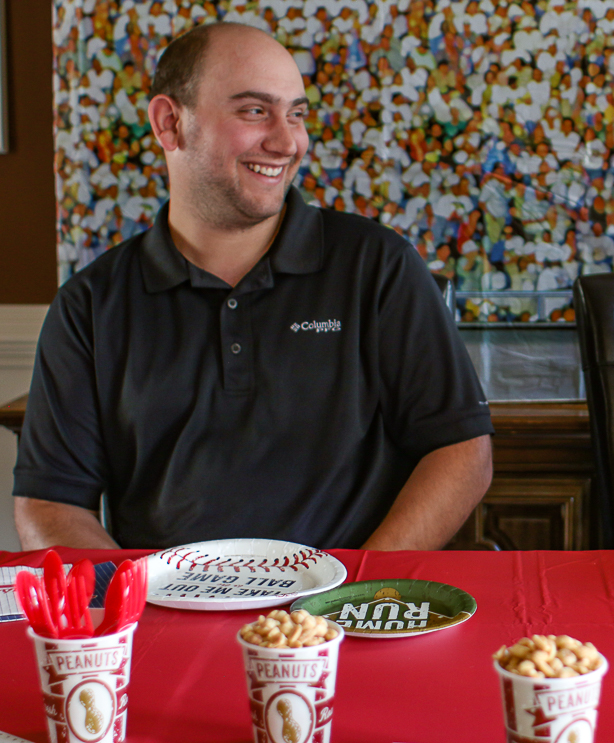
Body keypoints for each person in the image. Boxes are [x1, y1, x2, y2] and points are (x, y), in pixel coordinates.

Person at [13, 22, 494, 551]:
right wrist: (141, 611)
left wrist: (352, 595)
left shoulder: (377, 264)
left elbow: (462, 451)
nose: (288, 142)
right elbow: (51, 503)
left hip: (343, 613)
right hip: (169, 613)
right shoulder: (90, 305)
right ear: (169, 123)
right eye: (254, 111)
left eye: (297, 114)